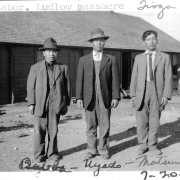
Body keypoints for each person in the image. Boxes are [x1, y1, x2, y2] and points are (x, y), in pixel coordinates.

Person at [76, 28, 120, 160]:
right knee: (91, 124)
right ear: (92, 43)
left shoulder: (111, 59)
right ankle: (91, 149)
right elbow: (79, 80)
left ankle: (104, 149)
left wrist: (115, 96)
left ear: (104, 42)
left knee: (105, 123)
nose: (99, 43)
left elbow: (115, 80)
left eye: (101, 40)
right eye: (96, 41)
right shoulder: (83, 60)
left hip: (105, 96)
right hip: (89, 97)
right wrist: (79, 97)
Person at [27, 37, 71, 162]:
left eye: (54, 51)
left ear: (57, 53)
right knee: (39, 130)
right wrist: (31, 103)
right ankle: (39, 155)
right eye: (49, 51)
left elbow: (68, 87)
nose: (52, 54)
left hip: (55, 103)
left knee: (53, 130)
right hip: (40, 103)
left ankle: (52, 153)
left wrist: (66, 103)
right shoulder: (35, 68)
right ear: (44, 53)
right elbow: (31, 87)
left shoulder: (63, 68)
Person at [130, 30, 173, 156]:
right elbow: (134, 77)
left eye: (153, 38)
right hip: (141, 91)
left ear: (157, 40)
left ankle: (153, 145)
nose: (151, 41)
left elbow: (169, 77)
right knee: (142, 120)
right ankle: (142, 145)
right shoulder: (138, 58)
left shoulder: (164, 57)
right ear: (144, 42)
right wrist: (132, 94)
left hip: (157, 91)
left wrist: (166, 95)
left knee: (154, 119)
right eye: (148, 39)